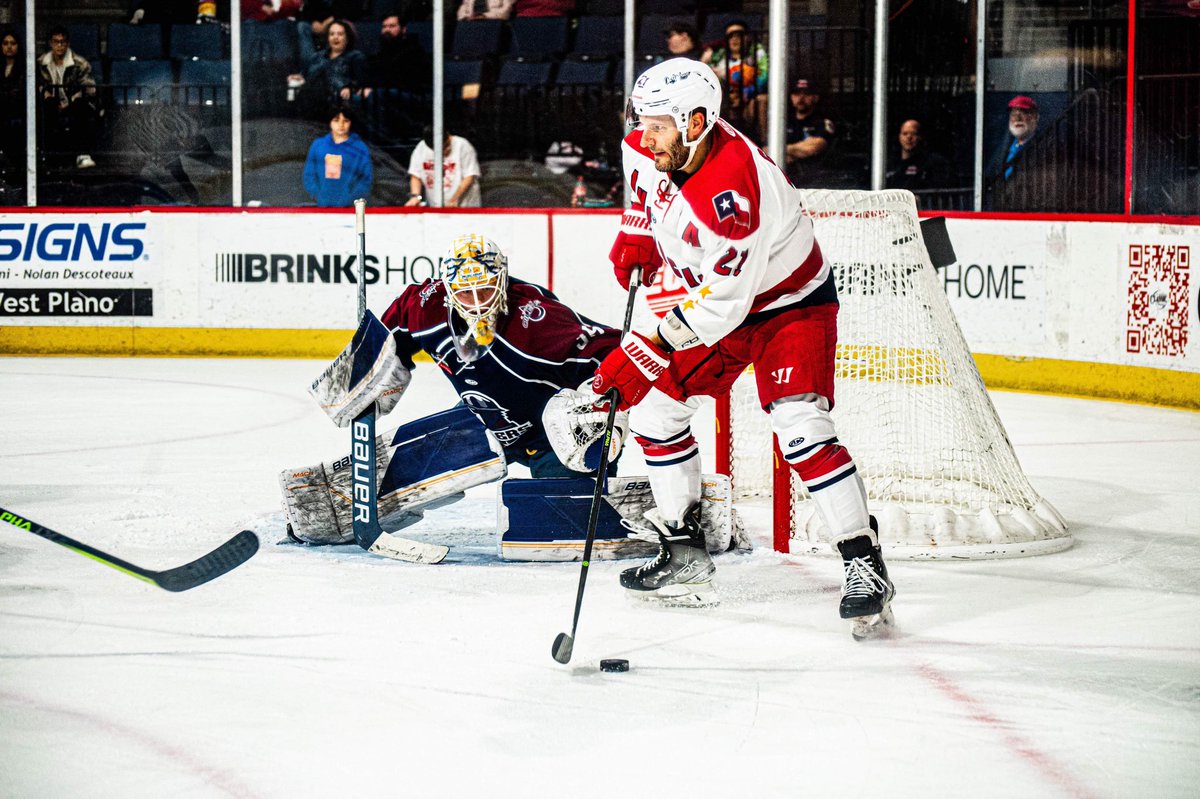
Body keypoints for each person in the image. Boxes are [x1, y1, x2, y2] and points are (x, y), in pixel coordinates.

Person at [593, 58, 894, 634]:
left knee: (800, 428)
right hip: (718, 295)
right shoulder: (664, 142)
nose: (643, 135)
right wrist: (636, 230)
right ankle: (683, 553)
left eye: (657, 125)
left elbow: (717, 310)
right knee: (656, 409)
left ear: (698, 121)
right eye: (643, 121)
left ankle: (864, 560)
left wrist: (636, 354)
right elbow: (642, 176)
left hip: (788, 306)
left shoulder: (732, 194)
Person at [36, 26, 99, 170]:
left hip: (75, 102)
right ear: (50, 43)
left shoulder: (80, 63)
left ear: (68, 44)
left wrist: (70, 101)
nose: (59, 45)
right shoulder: (41, 63)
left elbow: (90, 88)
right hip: (52, 102)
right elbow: (37, 85)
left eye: (63, 42)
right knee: (46, 107)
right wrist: (46, 95)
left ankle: (82, 155)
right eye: (56, 42)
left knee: (81, 107)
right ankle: (48, 156)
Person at [702, 19, 768, 143]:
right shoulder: (719, 56)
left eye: (738, 35)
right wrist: (704, 62)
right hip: (727, 99)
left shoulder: (757, 53)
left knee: (762, 100)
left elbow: (763, 78)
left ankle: (766, 146)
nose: (734, 39)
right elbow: (706, 81)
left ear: (747, 37)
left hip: (749, 99)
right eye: (730, 36)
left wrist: (745, 93)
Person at [289, 18, 370, 116]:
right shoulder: (317, 56)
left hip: (339, 105)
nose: (335, 37)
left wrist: (350, 88)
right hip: (313, 102)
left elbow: (362, 83)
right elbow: (305, 76)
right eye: (332, 34)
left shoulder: (355, 57)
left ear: (347, 38)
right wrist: (299, 77)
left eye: (340, 34)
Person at [302, 105, 373, 206]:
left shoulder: (360, 148)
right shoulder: (318, 145)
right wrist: (319, 195)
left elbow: (365, 180)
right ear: (330, 122)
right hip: (322, 206)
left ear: (351, 123)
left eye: (346, 121)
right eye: (336, 120)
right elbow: (309, 175)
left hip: (350, 207)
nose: (341, 125)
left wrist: (351, 198)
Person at [406, 126, 481, 207]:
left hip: (464, 206)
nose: (444, 152)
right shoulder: (421, 148)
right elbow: (416, 175)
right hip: (436, 206)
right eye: (438, 150)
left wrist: (454, 199)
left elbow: (469, 176)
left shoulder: (463, 146)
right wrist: (415, 197)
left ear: (448, 136)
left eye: (446, 146)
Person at [784, 77, 837, 188]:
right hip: (787, 179)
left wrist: (784, 150)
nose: (801, 98)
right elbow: (766, 149)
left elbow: (813, 148)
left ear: (815, 98)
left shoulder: (822, 121)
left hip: (817, 179)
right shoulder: (784, 121)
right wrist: (798, 150)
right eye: (797, 94)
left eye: (806, 94)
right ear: (791, 97)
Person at [885, 118, 951, 196]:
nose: (909, 138)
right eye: (905, 133)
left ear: (920, 137)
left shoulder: (932, 162)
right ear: (899, 137)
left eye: (913, 133)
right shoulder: (890, 163)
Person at [0, 28, 23, 182]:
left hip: (17, 112)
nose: (9, 47)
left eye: (13, 43)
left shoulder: (24, 68)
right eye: (5, 43)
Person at [1003, 95, 1039, 179]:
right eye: (1013, 114)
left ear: (1036, 117)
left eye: (1024, 113)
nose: (1017, 118)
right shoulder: (1007, 149)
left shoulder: (1043, 146)